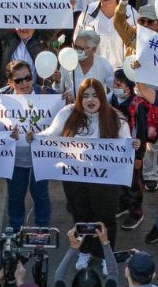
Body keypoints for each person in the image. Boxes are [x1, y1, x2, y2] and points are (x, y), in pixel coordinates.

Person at [33, 78, 133, 259]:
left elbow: (126, 141)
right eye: (85, 96)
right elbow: (50, 134)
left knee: (105, 219)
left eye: (95, 95)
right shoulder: (68, 113)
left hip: (106, 180)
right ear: (79, 98)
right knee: (81, 215)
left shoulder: (116, 117)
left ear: (102, 97)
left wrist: (133, 144)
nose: (90, 100)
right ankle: (84, 251)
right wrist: (35, 137)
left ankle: (105, 256)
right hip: (75, 179)